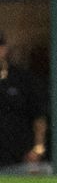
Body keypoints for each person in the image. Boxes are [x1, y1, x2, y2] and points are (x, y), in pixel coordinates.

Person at [0, 31, 47, 174]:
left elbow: (39, 117)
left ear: (4, 49)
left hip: (19, 156)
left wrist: (38, 148)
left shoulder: (22, 78)